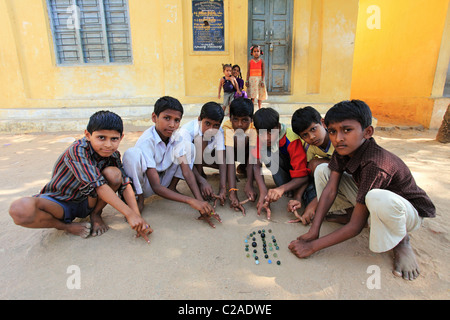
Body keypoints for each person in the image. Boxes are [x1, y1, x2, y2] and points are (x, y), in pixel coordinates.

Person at [288, 100, 436, 281]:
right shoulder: (343, 150)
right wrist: (314, 230)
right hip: (374, 199)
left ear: (367, 132)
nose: (338, 138)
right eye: (333, 131)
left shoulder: (375, 163)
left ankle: (402, 241)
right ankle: (354, 213)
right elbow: (330, 190)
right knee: (322, 171)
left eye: (347, 130)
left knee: (376, 197)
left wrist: (313, 246)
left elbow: (355, 227)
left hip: (406, 213)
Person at [9, 111, 153, 243]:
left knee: (115, 174)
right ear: (88, 135)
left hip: (89, 202)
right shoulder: (78, 150)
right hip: (60, 201)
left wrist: (137, 216)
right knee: (20, 209)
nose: (108, 145)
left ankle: (96, 214)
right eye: (101, 137)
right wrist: (129, 214)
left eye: (114, 139)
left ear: (121, 137)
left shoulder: (113, 155)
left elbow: (124, 184)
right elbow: (98, 185)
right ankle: (67, 226)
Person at [122, 96, 221, 228]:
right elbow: (156, 187)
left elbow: (187, 172)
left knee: (188, 147)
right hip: (147, 184)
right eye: (166, 118)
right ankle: (139, 198)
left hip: (163, 180)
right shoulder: (147, 140)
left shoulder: (176, 137)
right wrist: (190, 200)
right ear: (154, 118)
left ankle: (171, 188)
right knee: (131, 155)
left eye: (176, 120)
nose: (172, 125)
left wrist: (201, 202)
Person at [252, 108, 310, 220]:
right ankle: (287, 188)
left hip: (298, 174)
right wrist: (263, 191)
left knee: (309, 194)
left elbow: (303, 177)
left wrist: (281, 189)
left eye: (270, 133)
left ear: (278, 127)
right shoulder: (261, 139)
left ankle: (288, 188)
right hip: (285, 175)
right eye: (262, 133)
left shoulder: (291, 139)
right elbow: (256, 165)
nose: (266, 138)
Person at [288, 106, 335, 225]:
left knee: (320, 167)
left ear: (323, 122)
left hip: (348, 175)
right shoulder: (310, 147)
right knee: (313, 165)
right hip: (335, 174)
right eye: (305, 135)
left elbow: (337, 177)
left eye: (313, 129)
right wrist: (297, 197)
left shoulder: (337, 139)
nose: (311, 137)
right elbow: (306, 173)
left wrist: (312, 206)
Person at [178, 101, 227, 207]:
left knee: (227, 158)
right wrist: (202, 181)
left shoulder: (220, 131)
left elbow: (222, 158)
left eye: (216, 125)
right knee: (199, 141)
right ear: (199, 119)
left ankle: (200, 175)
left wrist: (222, 188)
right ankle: (198, 176)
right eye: (207, 123)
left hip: (203, 156)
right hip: (183, 161)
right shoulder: (186, 131)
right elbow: (185, 162)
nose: (211, 129)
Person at [222, 97, 260, 215]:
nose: (239, 124)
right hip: (233, 153)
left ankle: (244, 169)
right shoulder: (227, 126)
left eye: (244, 120)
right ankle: (237, 172)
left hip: (247, 155)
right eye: (235, 120)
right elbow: (229, 158)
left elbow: (253, 156)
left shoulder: (254, 127)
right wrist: (232, 191)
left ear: (251, 119)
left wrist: (249, 184)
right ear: (230, 117)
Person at [245, 45, 267, 109]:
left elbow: (263, 72)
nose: (256, 53)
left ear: (260, 52)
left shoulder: (262, 61)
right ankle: (251, 110)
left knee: (259, 96)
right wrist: (247, 80)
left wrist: (263, 80)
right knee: (252, 96)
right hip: (252, 80)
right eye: (255, 51)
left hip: (259, 80)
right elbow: (248, 71)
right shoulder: (250, 61)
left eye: (258, 51)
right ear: (252, 52)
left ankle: (260, 109)